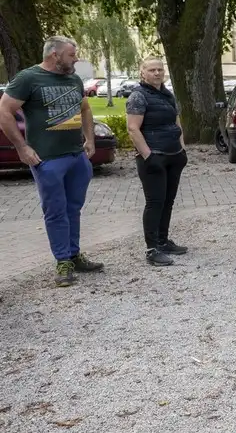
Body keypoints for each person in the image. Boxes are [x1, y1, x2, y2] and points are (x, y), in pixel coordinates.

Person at [0, 36, 103, 286]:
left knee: (73, 208)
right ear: (54, 55)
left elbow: (85, 109)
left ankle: (74, 254)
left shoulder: (73, 78)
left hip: (76, 157)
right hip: (47, 159)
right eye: (71, 54)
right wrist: (22, 147)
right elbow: (4, 110)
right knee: (55, 211)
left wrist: (90, 139)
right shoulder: (28, 78)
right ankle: (63, 262)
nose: (76, 58)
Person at [125, 56, 189, 267]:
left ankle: (163, 240)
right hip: (153, 158)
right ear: (142, 73)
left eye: (160, 69)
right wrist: (148, 156)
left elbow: (176, 121)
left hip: (173, 156)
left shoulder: (167, 94)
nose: (157, 73)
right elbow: (133, 128)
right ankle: (152, 248)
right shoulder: (138, 96)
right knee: (155, 202)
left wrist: (182, 148)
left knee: (168, 201)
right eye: (152, 70)